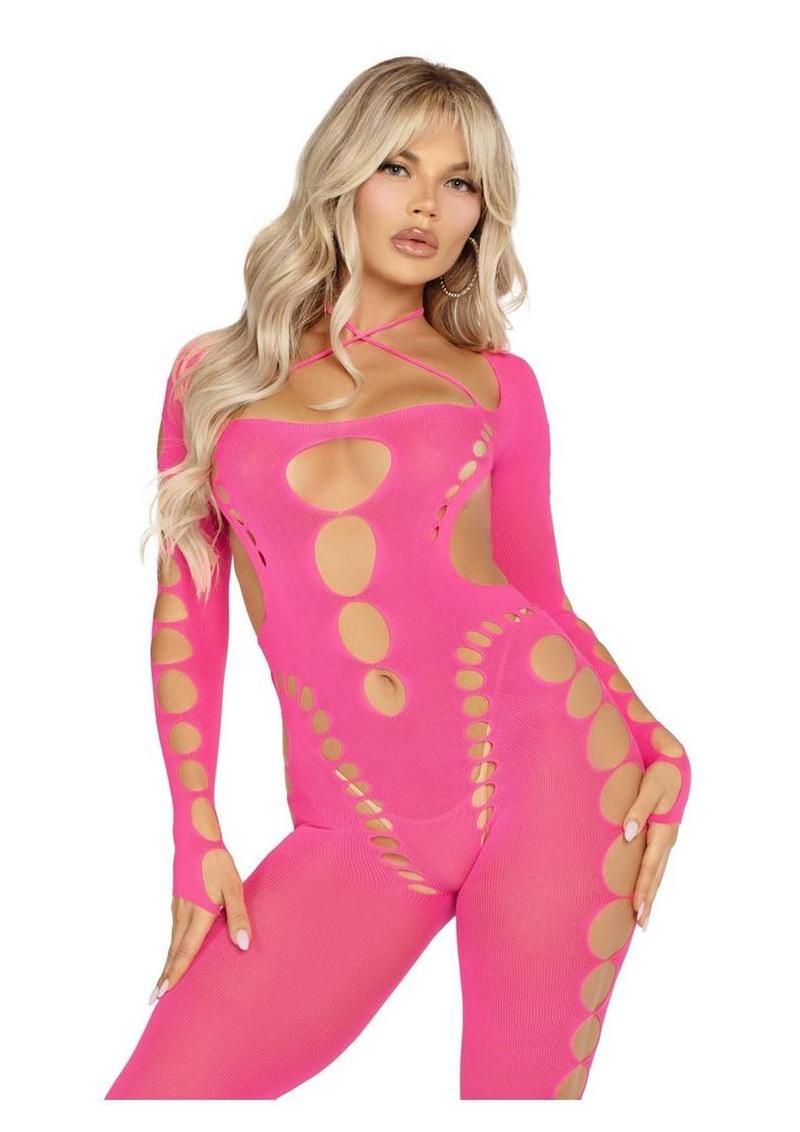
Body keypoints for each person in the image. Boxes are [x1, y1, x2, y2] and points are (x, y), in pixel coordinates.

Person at [105, 56, 691, 1101]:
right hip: (357, 827)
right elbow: (187, 604)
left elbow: (539, 595)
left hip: (554, 767)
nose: (426, 203)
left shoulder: (495, 384)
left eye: (459, 182)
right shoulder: (214, 375)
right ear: (344, 175)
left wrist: (655, 738)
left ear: (480, 214)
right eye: (397, 166)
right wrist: (197, 828)